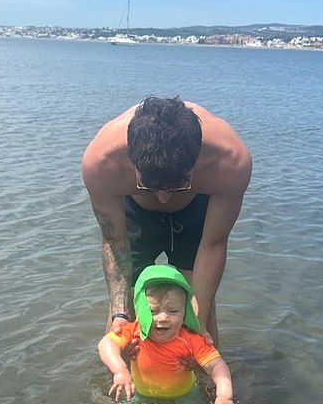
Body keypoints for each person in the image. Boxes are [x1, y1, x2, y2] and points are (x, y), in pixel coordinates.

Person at [83, 96, 252, 346]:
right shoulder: (102, 163)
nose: (163, 199)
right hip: (134, 212)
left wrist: (199, 320)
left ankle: (207, 383)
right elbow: (114, 240)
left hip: (195, 210)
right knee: (123, 318)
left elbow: (214, 243)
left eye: (178, 186)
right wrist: (119, 313)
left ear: (196, 162)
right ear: (132, 161)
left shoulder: (230, 162)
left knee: (197, 317)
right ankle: (113, 381)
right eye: (149, 186)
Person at [97, 265, 237, 404]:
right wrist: (120, 370)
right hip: (140, 394)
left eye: (173, 311)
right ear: (139, 309)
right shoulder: (133, 330)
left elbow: (217, 367)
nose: (163, 318)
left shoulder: (190, 339)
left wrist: (224, 397)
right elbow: (106, 344)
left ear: (185, 312)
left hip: (184, 396)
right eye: (153, 311)